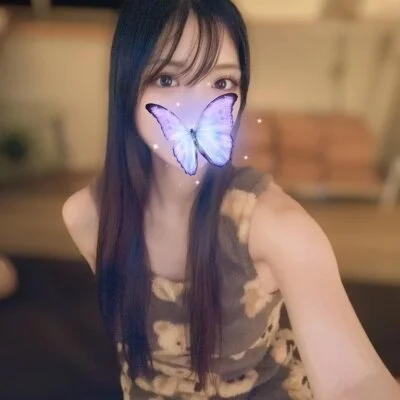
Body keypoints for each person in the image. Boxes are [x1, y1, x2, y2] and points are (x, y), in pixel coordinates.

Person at [62, 1, 400, 399]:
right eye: (167, 79)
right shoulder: (86, 216)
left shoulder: (278, 226)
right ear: (126, 85)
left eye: (221, 83)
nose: (195, 108)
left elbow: (352, 383)